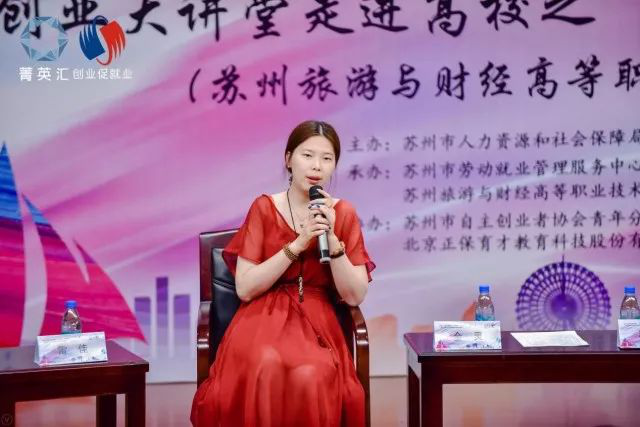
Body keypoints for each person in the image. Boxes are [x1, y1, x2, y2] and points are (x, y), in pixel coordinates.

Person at [191, 120, 375, 427]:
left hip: (317, 320)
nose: (316, 166)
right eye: (307, 155)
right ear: (289, 159)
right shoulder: (264, 208)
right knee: (266, 362)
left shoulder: (343, 214)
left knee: (312, 373)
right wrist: (299, 243)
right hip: (262, 316)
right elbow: (245, 288)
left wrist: (331, 241)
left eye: (327, 158)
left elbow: (355, 295)